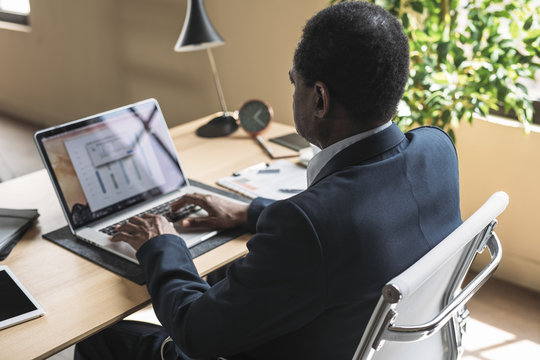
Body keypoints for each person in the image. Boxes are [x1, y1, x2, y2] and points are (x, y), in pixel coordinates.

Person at [75, 2, 461, 359]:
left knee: (100, 339)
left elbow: (195, 333)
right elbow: (355, 222)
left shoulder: (310, 227)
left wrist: (161, 245)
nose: (293, 91)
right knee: (221, 275)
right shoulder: (437, 150)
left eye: (295, 82)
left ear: (320, 100)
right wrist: (250, 213)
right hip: (355, 340)